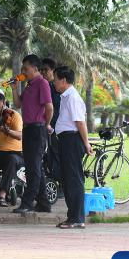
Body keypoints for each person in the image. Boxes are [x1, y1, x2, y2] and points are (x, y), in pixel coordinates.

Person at [11, 54, 55, 215]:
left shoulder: (42, 83)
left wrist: (46, 124)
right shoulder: (29, 84)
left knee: (33, 168)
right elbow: (18, 104)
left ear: (35, 68)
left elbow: (49, 107)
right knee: (34, 167)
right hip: (28, 128)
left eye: (26, 68)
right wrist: (14, 88)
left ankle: (27, 202)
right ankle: (44, 203)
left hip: (37, 128)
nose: (23, 71)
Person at [53, 65, 93, 229]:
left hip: (72, 140)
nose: (54, 82)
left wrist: (86, 143)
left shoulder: (73, 97)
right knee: (68, 179)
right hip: (66, 140)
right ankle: (73, 217)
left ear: (63, 80)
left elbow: (80, 122)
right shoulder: (66, 97)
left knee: (74, 179)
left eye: (56, 79)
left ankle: (77, 218)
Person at [40, 58, 62, 179]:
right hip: (44, 126)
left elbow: (54, 108)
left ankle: (59, 182)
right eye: (41, 70)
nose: (43, 72)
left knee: (56, 154)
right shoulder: (42, 86)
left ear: (53, 71)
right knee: (47, 155)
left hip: (56, 127)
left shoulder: (57, 88)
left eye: (46, 70)